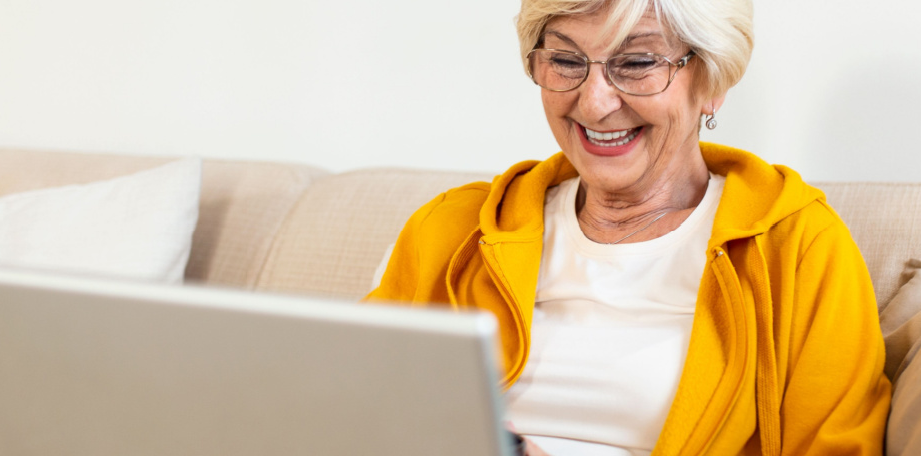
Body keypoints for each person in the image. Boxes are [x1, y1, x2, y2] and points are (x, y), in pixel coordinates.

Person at [366, 0, 891, 454]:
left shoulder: (797, 249)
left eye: (637, 63)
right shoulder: (453, 231)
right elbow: (345, 406)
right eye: (567, 61)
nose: (594, 103)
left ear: (711, 80)